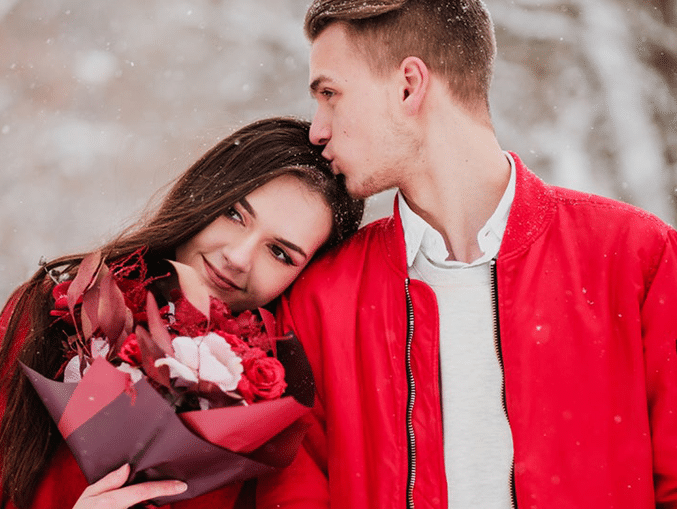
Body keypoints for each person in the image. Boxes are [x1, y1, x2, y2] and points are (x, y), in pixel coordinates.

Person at [255, 1, 677, 508]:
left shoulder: (636, 258)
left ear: (409, 84)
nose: (317, 130)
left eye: (330, 94)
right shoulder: (319, 300)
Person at [0, 116, 364, 509]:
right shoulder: (57, 309)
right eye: (234, 213)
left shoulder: (280, 406)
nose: (239, 257)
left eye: (280, 253)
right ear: (203, 192)